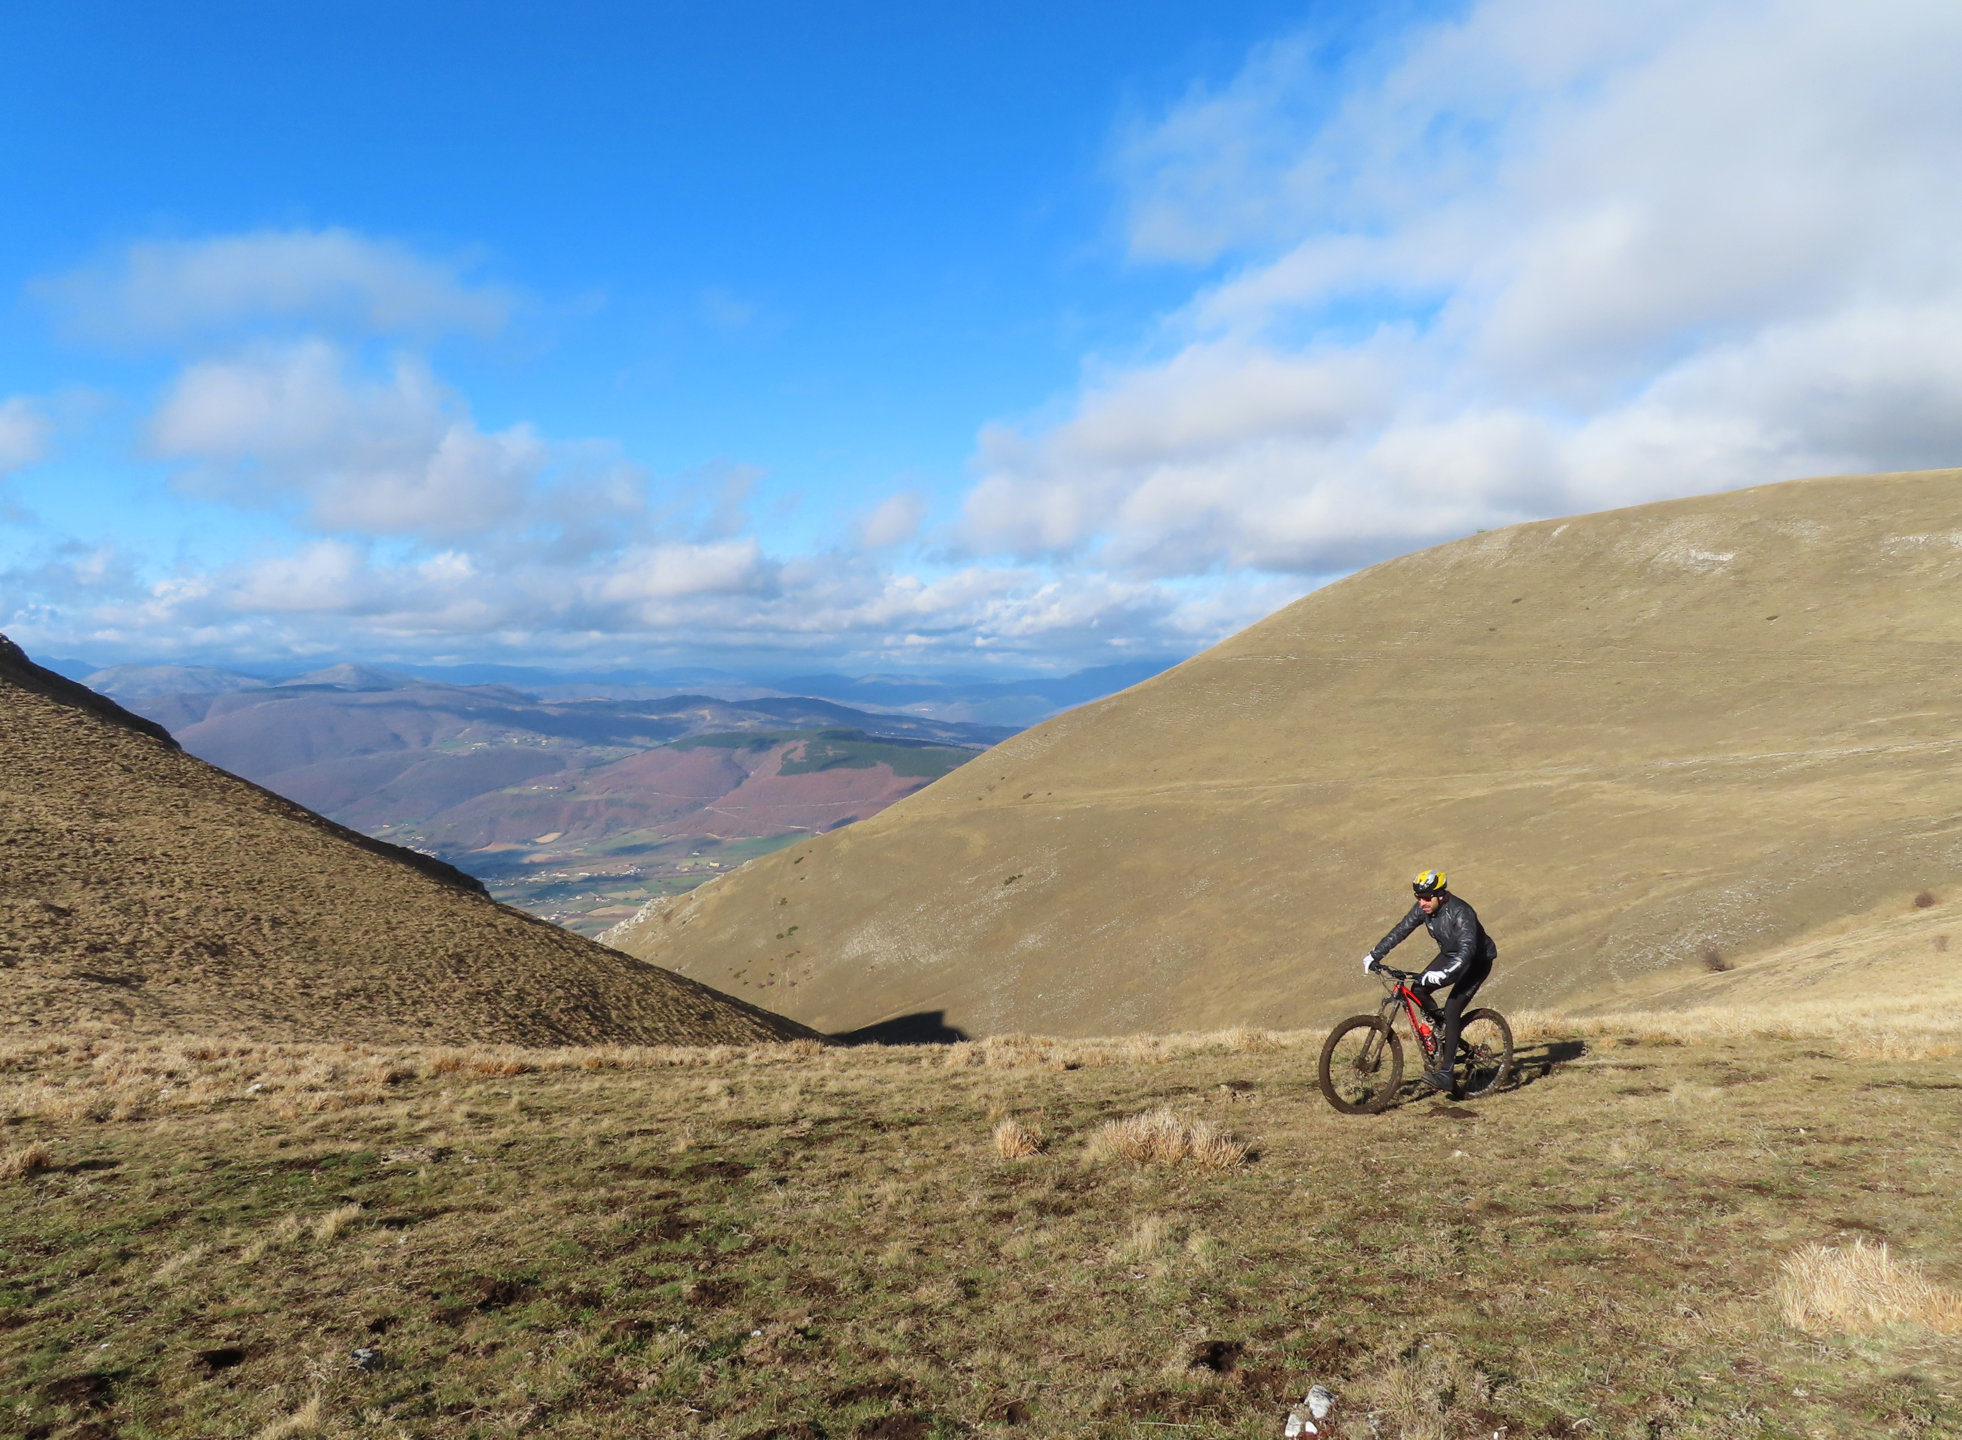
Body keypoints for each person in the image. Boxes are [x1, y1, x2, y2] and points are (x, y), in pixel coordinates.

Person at [1363, 869, 1497, 1093]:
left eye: (1426, 898)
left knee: (1453, 1008)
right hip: (1451, 954)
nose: (1422, 903)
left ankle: (1445, 1074)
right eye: (1418, 898)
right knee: (1419, 989)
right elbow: (1402, 929)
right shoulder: (1424, 909)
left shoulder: (1462, 912)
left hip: (1475, 960)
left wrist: (1444, 973)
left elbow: (1467, 950)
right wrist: (1376, 953)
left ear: (1441, 895)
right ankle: (1441, 1029)